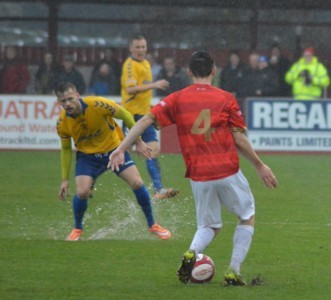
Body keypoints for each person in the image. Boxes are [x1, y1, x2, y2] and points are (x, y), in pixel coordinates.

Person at [109, 51, 278, 286]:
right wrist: (259, 165)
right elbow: (239, 138)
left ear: (189, 72)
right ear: (214, 71)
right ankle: (233, 270)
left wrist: (121, 148)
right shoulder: (226, 98)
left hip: (199, 175)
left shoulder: (177, 99)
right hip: (227, 169)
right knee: (247, 216)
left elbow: (145, 120)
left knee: (209, 226)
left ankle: (191, 252)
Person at [55, 82, 171, 241]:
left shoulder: (98, 104)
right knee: (82, 192)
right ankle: (77, 229)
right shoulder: (62, 123)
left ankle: (153, 225)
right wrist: (64, 180)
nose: (67, 104)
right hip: (87, 157)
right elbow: (66, 150)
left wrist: (137, 141)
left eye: (70, 99)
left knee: (137, 182)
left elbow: (126, 115)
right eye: (63, 101)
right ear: (58, 102)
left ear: (77, 95)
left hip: (114, 151)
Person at [121, 35, 179, 200]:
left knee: (153, 150)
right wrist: (153, 85)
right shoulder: (130, 65)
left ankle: (158, 190)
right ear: (131, 49)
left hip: (145, 116)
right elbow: (131, 90)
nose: (140, 50)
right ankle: (89, 181)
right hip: (131, 116)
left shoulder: (146, 64)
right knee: (118, 152)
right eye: (137, 47)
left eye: (143, 47)